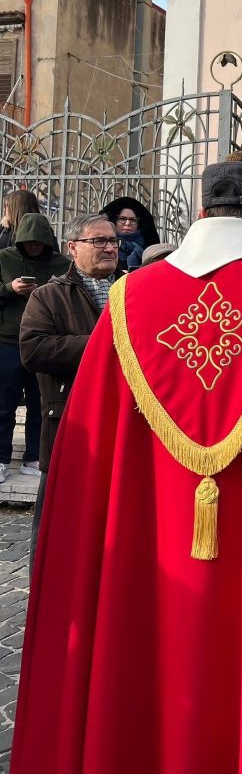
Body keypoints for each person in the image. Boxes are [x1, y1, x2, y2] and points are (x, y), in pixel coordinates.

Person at [11, 162, 242, 774]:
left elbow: (89, 455)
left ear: (203, 214)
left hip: (149, 552)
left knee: (141, 662)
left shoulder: (131, 300)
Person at [18, 214, 119, 572]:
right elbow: (34, 350)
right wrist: (103, 345)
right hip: (69, 425)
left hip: (126, 423)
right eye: (98, 241)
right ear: (73, 248)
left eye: (113, 241)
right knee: (54, 529)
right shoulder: (48, 296)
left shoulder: (134, 289)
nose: (109, 247)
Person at [0, 213, 69, 486]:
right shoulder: (4, 258)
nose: (34, 246)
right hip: (8, 341)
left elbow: (68, 292)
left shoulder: (61, 263)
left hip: (44, 342)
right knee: (4, 404)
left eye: (38, 242)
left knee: (41, 404)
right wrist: (9, 288)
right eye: (28, 242)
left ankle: (34, 457)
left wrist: (46, 292)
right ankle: (2, 459)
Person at [102, 196, 160, 272]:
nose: (128, 223)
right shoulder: (104, 245)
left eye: (133, 220)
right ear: (114, 221)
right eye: (122, 219)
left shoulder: (149, 247)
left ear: (138, 223)